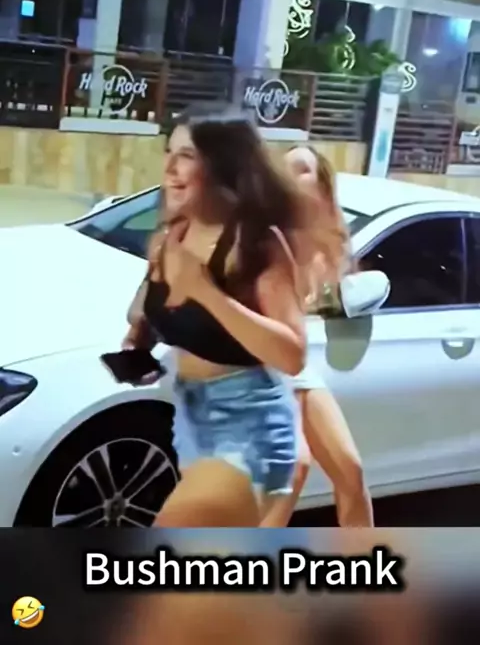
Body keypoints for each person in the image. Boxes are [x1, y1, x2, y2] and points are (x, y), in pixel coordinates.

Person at [122, 104, 310, 528]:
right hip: (190, 418)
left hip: (249, 423)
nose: (170, 168)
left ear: (222, 166)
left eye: (187, 156)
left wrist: (208, 292)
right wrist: (140, 340)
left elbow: (293, 355)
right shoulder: (172, 235)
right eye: (169, 152)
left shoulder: (256, 244)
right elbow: (151, 311)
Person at [260, 145, 374, 528]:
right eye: (284, 170)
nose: (289, 177)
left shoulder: (326, 245)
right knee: (293, 471)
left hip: (297, 367)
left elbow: (332, 297)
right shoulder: (261, 235)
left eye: (301, 170)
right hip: (260, 361)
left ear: (321, 184)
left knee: (351, 470)